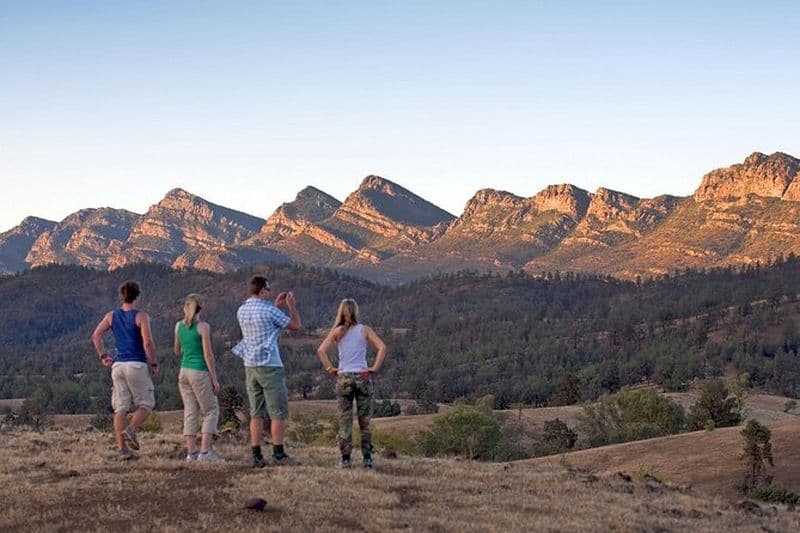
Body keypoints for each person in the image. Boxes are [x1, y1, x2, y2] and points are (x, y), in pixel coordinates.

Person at [232, 275, 301, 467]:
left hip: (250, 365)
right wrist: (291, 306)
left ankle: (256, 455)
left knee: (256, 413)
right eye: (268, 290)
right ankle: (278, 454)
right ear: (262, 290)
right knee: (277, 412)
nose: (269, 293)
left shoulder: (241, 310)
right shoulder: (269, 310)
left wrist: (276, 305)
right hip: (270, 365)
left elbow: (263, 325)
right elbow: (295, 325)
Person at [91, 281, 159, 460]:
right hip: (136, 364)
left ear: (121, 296)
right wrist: (153, 363)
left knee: (120, 408)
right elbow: (147, 342)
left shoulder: (111, 316)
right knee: (146, 403)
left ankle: (123, 449)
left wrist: (103, 355)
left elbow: (96, 335)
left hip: (118, 365)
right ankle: (132, 429)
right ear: (137, 296)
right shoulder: (141, 316)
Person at [316, 298, 387, 469]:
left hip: (344, 377)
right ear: (356, 312)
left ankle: (346, 459)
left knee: (345, 420)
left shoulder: (337, 331)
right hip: (362, 376)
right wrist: (374, 368)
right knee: (365, 421)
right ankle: (367, 459)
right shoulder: (364, 330)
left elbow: (321, 350)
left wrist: (330, 369)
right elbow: (382, 347)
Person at [174, 294, 222, 462]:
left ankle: (191, 453)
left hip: (184, 372)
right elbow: (208, 355)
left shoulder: (178, 326)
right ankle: (205, 452)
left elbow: (177, 351)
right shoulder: (203, 327)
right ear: (201, 308)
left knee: (190, 411)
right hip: (199, 371)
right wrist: (214, 379)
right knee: (211, 410)